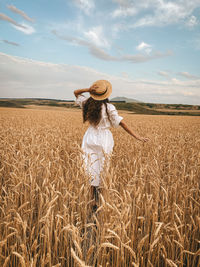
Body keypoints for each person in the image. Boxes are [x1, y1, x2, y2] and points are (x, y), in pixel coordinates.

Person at [74, 80, 149, 211]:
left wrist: (88, 89)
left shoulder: (87, 103)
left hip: (90, 137)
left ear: (93, 94)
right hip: (104, 139)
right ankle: (101, 199)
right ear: (106, 94)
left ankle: (92, 199)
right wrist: (138, 137)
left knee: (90, 166)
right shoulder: (109, 108)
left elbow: (76, 93)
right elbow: (122, 123)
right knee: (103, 166)